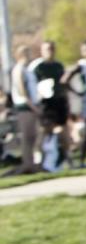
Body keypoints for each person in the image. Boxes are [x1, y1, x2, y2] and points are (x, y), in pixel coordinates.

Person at [29, 40, 69, 170]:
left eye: (51, 48)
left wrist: (66, 98)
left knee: (62, 130)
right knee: (43, 130)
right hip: (45, 103)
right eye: (47, 49)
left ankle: (65, 158)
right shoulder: (37, 67)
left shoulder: (58, 66)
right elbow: (31, 84)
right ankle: (39, 160)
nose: (49, 51)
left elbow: (63, 83)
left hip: (58, 100)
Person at [3, 45, 41, 175]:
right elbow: (22, 90)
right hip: (25, 106)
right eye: (26, 52)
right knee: (27, 136)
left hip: (31, 105)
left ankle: (31, 162)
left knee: (32, 136)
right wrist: (33, 106)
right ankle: (27, 164)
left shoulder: (28, 69)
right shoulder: (19, 69)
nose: (29, 54)